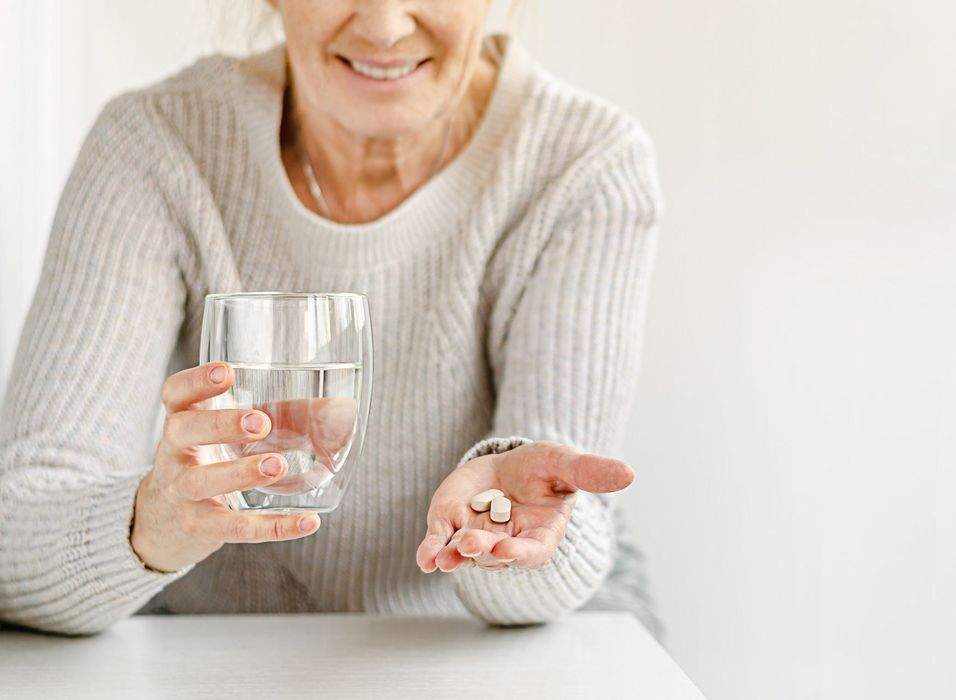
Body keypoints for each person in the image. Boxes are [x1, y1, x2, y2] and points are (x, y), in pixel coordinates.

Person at [0, 0, 663, 636]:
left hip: (493, 639)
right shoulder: (158, 144)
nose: (383, 26)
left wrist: (504, 536)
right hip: (213, 646)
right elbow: (17, 537)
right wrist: (150, 524)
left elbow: (549, 523)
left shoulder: (584, 165)